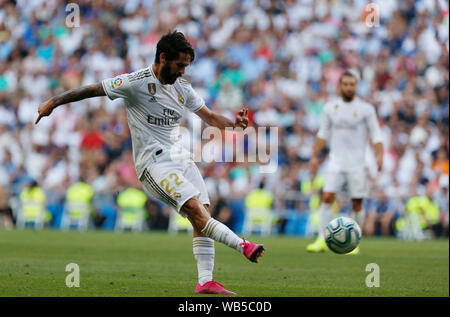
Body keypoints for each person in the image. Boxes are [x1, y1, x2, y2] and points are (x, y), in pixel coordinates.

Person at [35, 30, 264, 295]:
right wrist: (53, 102)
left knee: (201, 215)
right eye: (179, 65)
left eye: (186, 67)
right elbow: (92, 90)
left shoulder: (182, 89)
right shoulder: (135, 82)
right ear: (163, 58)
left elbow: (211, 118)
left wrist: (233, 124)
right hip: (153, 164)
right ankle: (243, 245)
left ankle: (205, 281)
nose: (182, 72)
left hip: (181, 159)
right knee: (194, 209)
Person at [306, 70, 383, 254]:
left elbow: (376, 135)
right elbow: (323, 135)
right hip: (335, 161)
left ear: (356, 86)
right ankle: (321, 239)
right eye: (345, 84)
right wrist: (314, 157)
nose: (349, 87)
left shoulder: (366, 109)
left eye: (352, 84)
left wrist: (379, 155)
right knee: (326, 197)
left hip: (357, 163)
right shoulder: (330, 108)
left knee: (357, 203)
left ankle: (354, 242)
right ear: (340, 86)